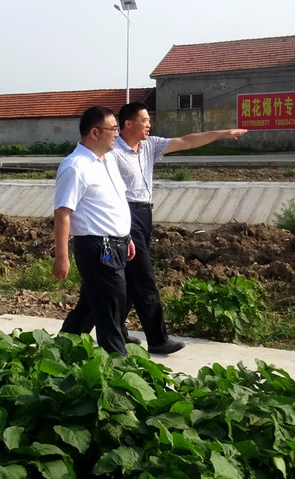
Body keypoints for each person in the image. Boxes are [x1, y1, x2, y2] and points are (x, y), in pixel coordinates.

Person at [112, 102, 246, 353]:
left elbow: (186, 141)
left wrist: (221, 133)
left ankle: (116, 329)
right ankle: (157, 339)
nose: (149, 124)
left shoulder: (150, 146)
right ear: (128, 124)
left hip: (144, 213)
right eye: (145, 120)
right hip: (124, 214)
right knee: (144, 278)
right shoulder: (113, 151)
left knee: (130, 275)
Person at [55, 106, 135, 355]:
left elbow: (111, 204)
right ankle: (119, 365)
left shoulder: (107, 160)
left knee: (90, 306)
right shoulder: (75, 166)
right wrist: (62, 256)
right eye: (113, 129)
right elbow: (62, 212)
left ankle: (61, 352)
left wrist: (126, 236)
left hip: (116, 244)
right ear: (94, 132)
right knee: (112, 310)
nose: (117, 134)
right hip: (99, 248)